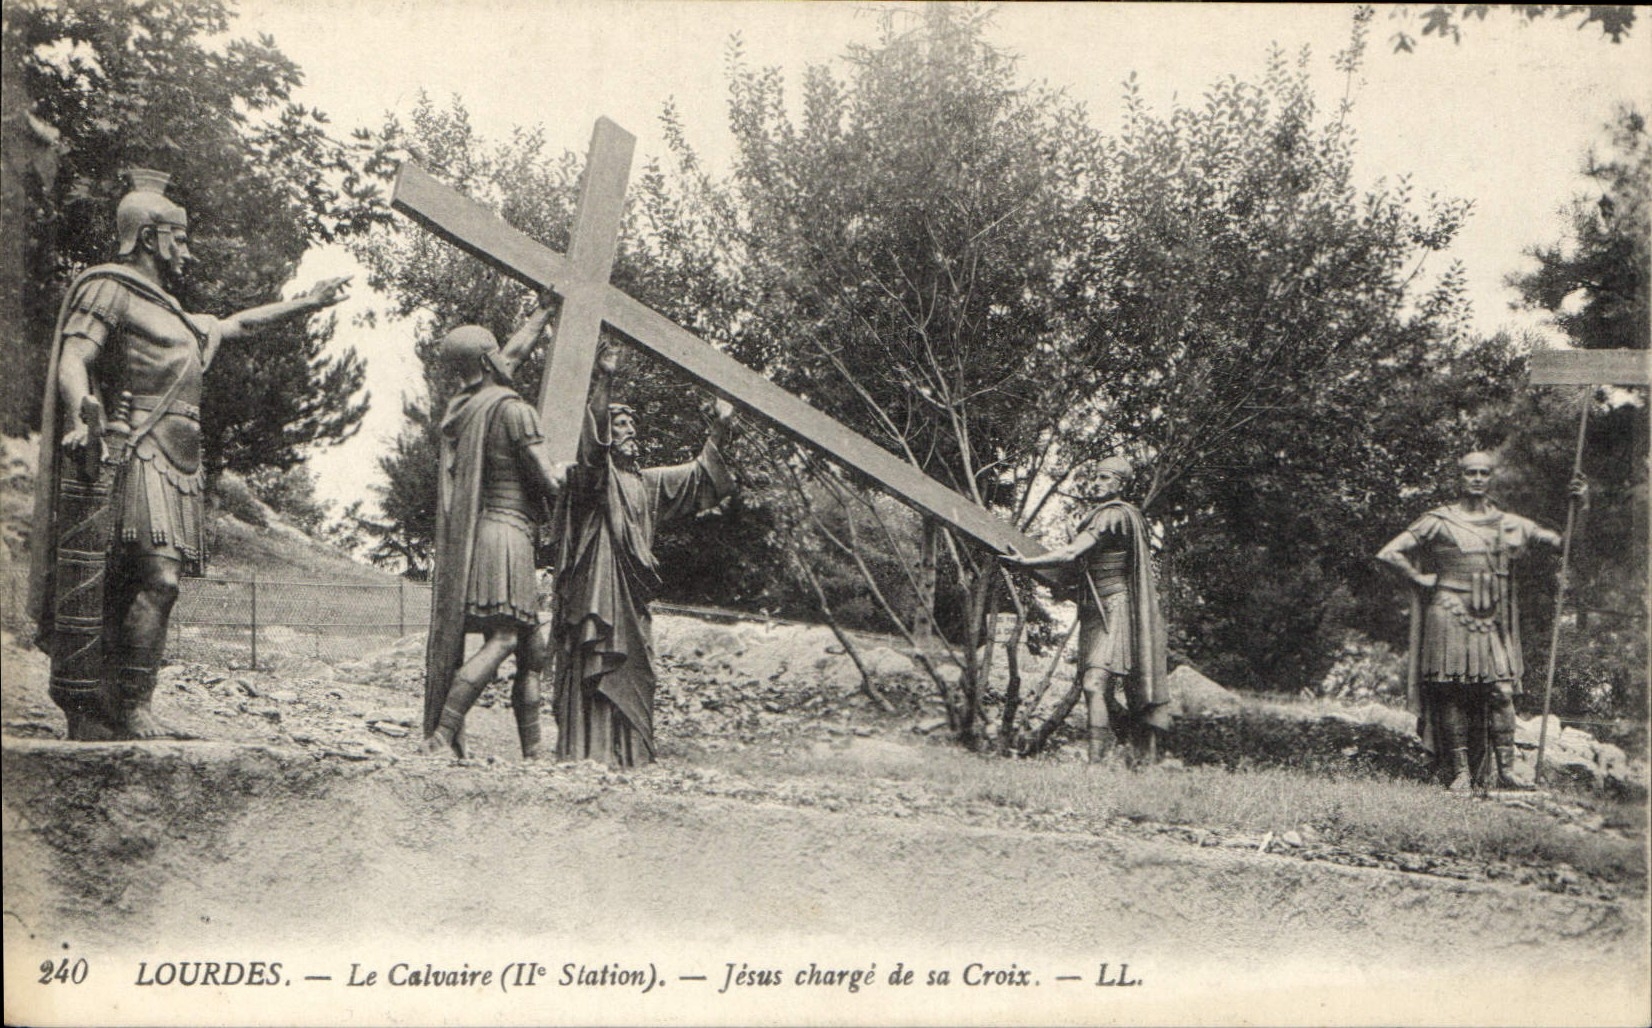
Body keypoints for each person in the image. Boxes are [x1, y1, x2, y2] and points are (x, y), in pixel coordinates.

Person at [27, 169, 348, 741]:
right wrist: (83, 412)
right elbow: (74, 357)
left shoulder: (174, 314)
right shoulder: (112, 288)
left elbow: (238, 324)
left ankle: (114, 705)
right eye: (180, 236)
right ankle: (126, 705)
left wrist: (308, 303)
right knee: (159, 579)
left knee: (136, 582)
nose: (187, 249)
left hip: (180, 462)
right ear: (150, 237)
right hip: (138, 451)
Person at [553, 340, 736, 767]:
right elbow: (591, 450)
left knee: (639, 670)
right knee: (597, 661)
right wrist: (605, 378)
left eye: (632, 428)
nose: (631, 433)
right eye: (621, 427)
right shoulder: (593, 481)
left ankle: (630, 757)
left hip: (632, 600)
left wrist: (719, 429)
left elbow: (698, 479)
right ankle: (591, 753)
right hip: (598, 594)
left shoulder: (647, 484)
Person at [1377, 451, 1582, 792]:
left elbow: (1565, 545)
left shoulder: (1509, 523)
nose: (1477, 478)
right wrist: (1418, 578)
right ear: (1460, 477)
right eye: (1470, 472)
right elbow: (1389, 553)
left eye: (1484, 472)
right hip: (1448, 609)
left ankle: (1507, 771)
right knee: (1451, 692)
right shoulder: (1438, 520)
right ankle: (1460, 774)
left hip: (1490, 618)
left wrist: (1582, 508)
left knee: (1502, 691)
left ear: (1491, 478)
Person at [420, 304, 569, 758]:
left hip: (481, 535)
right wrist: (576, 475)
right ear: (487, 360)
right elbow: (549, 481)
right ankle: (441, 735)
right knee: (504, 638)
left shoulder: (462, 409)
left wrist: (542, 315)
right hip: (509, 535)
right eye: (496, 352)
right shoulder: (514, 411)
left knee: (532, 648)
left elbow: (512, 356)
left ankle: (534, 752)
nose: (507, 358)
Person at [1002, 456, 1171, 764]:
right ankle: (1135, 747)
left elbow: (1071, 552)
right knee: (1097, 690)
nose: (1097, 483)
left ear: (1121, 484)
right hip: (1093, 609)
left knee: (1094, 684)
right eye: (1096, 478)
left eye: (1105, 478)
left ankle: (1096, 767)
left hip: (1114, 608)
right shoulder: (1102, 515)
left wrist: (1027, 563)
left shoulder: (1114, 515)